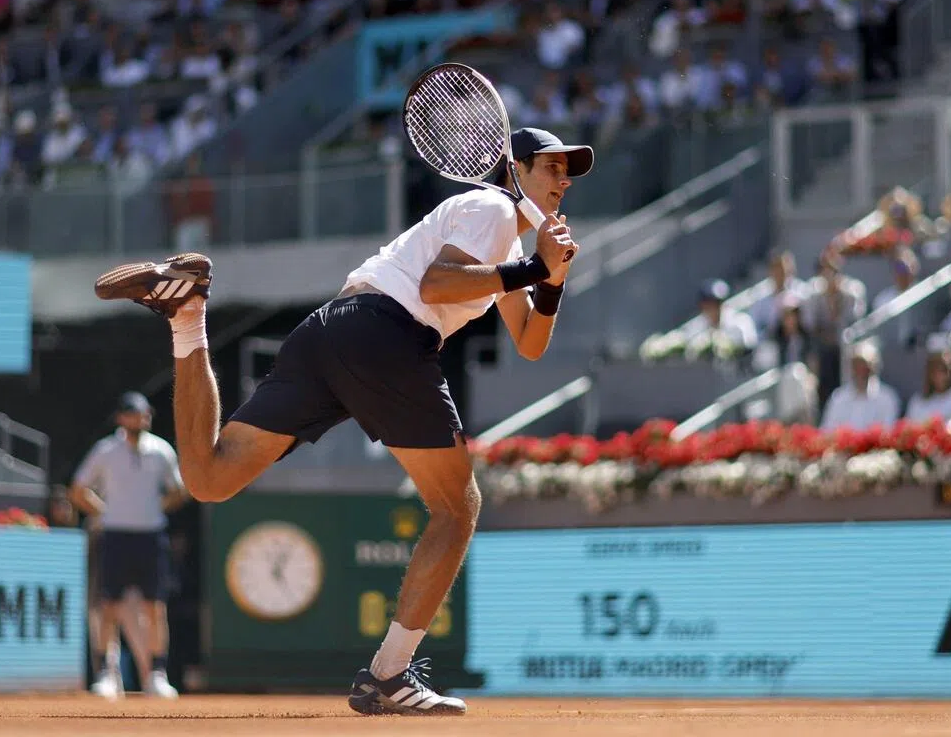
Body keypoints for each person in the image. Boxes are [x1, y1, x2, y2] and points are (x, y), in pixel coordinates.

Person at [94, 127, 592, 716]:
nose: (562, 180)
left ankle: (187, 314)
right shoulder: (491, 207)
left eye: (569, 171)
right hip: (388, 333)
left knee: (207, 478)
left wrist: (550, 279)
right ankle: (389, 676)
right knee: (458, 509)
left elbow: (530, 341)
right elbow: (438, 283)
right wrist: (534, 266)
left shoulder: (506, 243)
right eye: (551, 167)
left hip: (331, 330)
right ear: (516, 169)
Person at [70, 391, 190, 700]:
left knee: (155, 607)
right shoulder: (105, 450)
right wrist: (105, 511)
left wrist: (155, 508)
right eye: (135, 413)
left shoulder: (161, 451)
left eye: (145, 413)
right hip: (115, 536)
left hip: (151, 537)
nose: (142, 418)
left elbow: (179, 490)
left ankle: (157, 676)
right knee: (108, 607)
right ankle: (107, 675)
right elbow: (78, 489)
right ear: (121, 417)